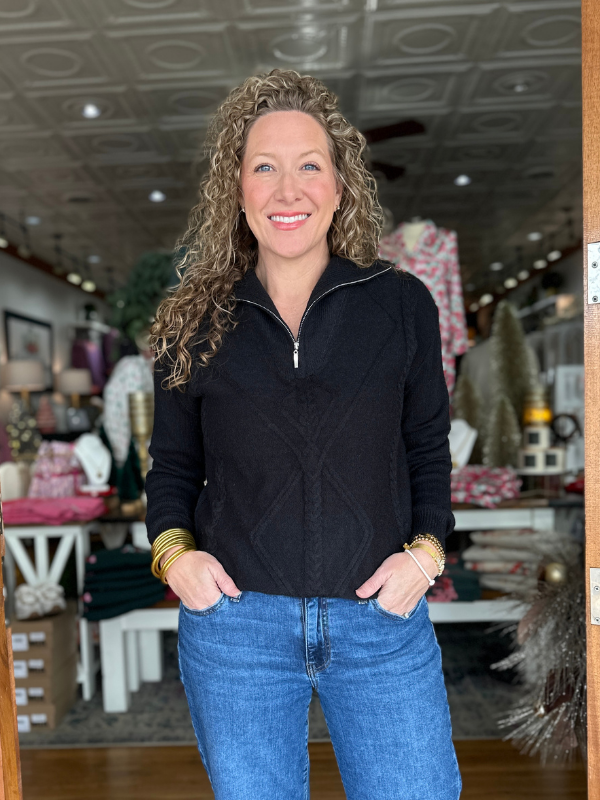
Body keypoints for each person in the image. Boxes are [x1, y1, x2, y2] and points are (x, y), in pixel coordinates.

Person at [145, 68, 462, 800]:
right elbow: (169, 471)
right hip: (236, 632)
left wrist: (426, 554)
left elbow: (426, 448)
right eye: (265, 167)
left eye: (309, 166)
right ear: (238, 190)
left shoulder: (400, 304)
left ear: (340, 186)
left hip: (381, 625)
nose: (288, 190)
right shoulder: (193, 320)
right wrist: (175, 560)